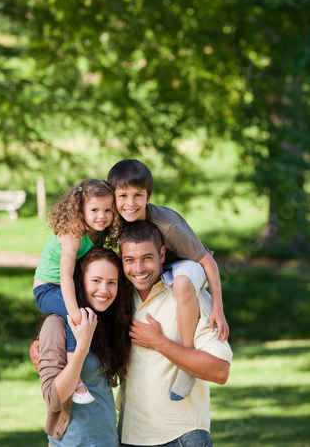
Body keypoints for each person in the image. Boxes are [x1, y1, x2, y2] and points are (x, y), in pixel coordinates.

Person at [107, 159, 229, 401]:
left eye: (137, 196)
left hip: (187, 264)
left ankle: (187, 360)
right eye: (122, 196)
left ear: (148, 197)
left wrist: (218, 308)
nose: (130, 203)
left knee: (182, 283)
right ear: (113, 197)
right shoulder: (113, 219)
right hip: (154, 267)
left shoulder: (167, 224)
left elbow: (208, 262)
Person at [117, 221, 233, 447]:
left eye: (147, 258)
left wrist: (160, 343)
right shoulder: (118, 299)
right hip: (130, 436)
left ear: (162, 254)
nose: (138, 268)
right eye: (129, 260)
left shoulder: (189, 295)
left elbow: (220, 371)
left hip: (182, 437)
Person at [33, 178, 121, 404]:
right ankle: (76, 381)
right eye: (94, 210)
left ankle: (107, 365)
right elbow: (65, 274)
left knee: (97, 317)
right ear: (80, 209)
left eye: (107, 210)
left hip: (65, 287)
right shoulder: (73, 233)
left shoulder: (97, 233)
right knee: (78, 319)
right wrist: (74, 311)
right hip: (48, 289)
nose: (102, 215)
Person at [37, 246, 133, 447]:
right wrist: (81, 347)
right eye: (96, 281)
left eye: (112, 283)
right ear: (80, 282)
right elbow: (53, 400)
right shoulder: (56, 324)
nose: (104, 290)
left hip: (109, 441)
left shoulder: (107, 322)